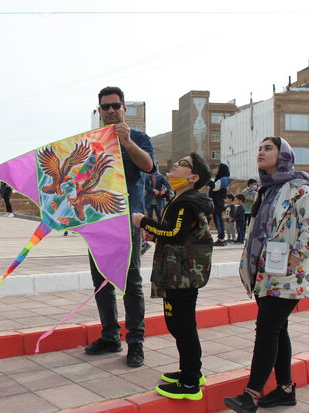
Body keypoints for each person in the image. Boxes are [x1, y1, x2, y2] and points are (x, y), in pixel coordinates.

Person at [223, 137, 309, 413]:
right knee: (278, 331)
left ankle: (251, 394)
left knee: (267, 331)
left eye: (268, 148)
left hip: (286, 275)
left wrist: (292, 260)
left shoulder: (299, 189)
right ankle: (284, 389)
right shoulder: (267, 190)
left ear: (283, 156)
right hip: (264, 274)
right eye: (259, 148)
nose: (261, 152)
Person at [83, 86, 155, 367]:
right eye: (105, 107)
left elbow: (148, 167)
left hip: (127, 221)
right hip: (97, 220)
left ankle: (135, 342)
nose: (111, 111)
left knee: (132, 282)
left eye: (116, 105)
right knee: (101, 280)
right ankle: (110, 335)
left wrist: (127, 143)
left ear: (124, 108)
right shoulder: (89, 142)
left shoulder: (138, 138)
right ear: (99, 111)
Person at [132, 153, 212, 400]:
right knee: (180, 324)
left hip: (183, 275)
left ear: (193, 177)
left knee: (182, 326)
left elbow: (175, 233)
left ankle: (190, 383)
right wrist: (155, 234)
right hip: (179, 272)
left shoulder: (187, 202)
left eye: (183, 164)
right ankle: (191, 372)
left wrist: (143, 222)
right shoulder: (182, 199)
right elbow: (177, 235)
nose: (175, 164)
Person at [208, 163, 231, 246]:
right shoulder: (220, 179)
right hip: (216, 202)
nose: (216, 170)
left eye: (218, 168)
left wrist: (208, 180)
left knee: (218, 219)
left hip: (218, 202)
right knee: (217, 219)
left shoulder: (223, 179)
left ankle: (221, 239)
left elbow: (214, 187)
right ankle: (220, 238)